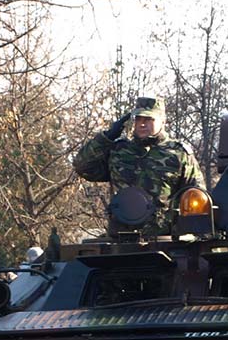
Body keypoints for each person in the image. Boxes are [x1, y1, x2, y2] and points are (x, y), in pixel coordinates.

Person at [73, 95, 204, 235]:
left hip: (164, 239)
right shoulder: (119, 151)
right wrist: (106, 137)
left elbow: (196, 195)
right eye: (138, 119)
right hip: (121, 239)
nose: (142, 124)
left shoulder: (178, 154)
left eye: (148, 119)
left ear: (163, 121)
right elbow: (82, 166)